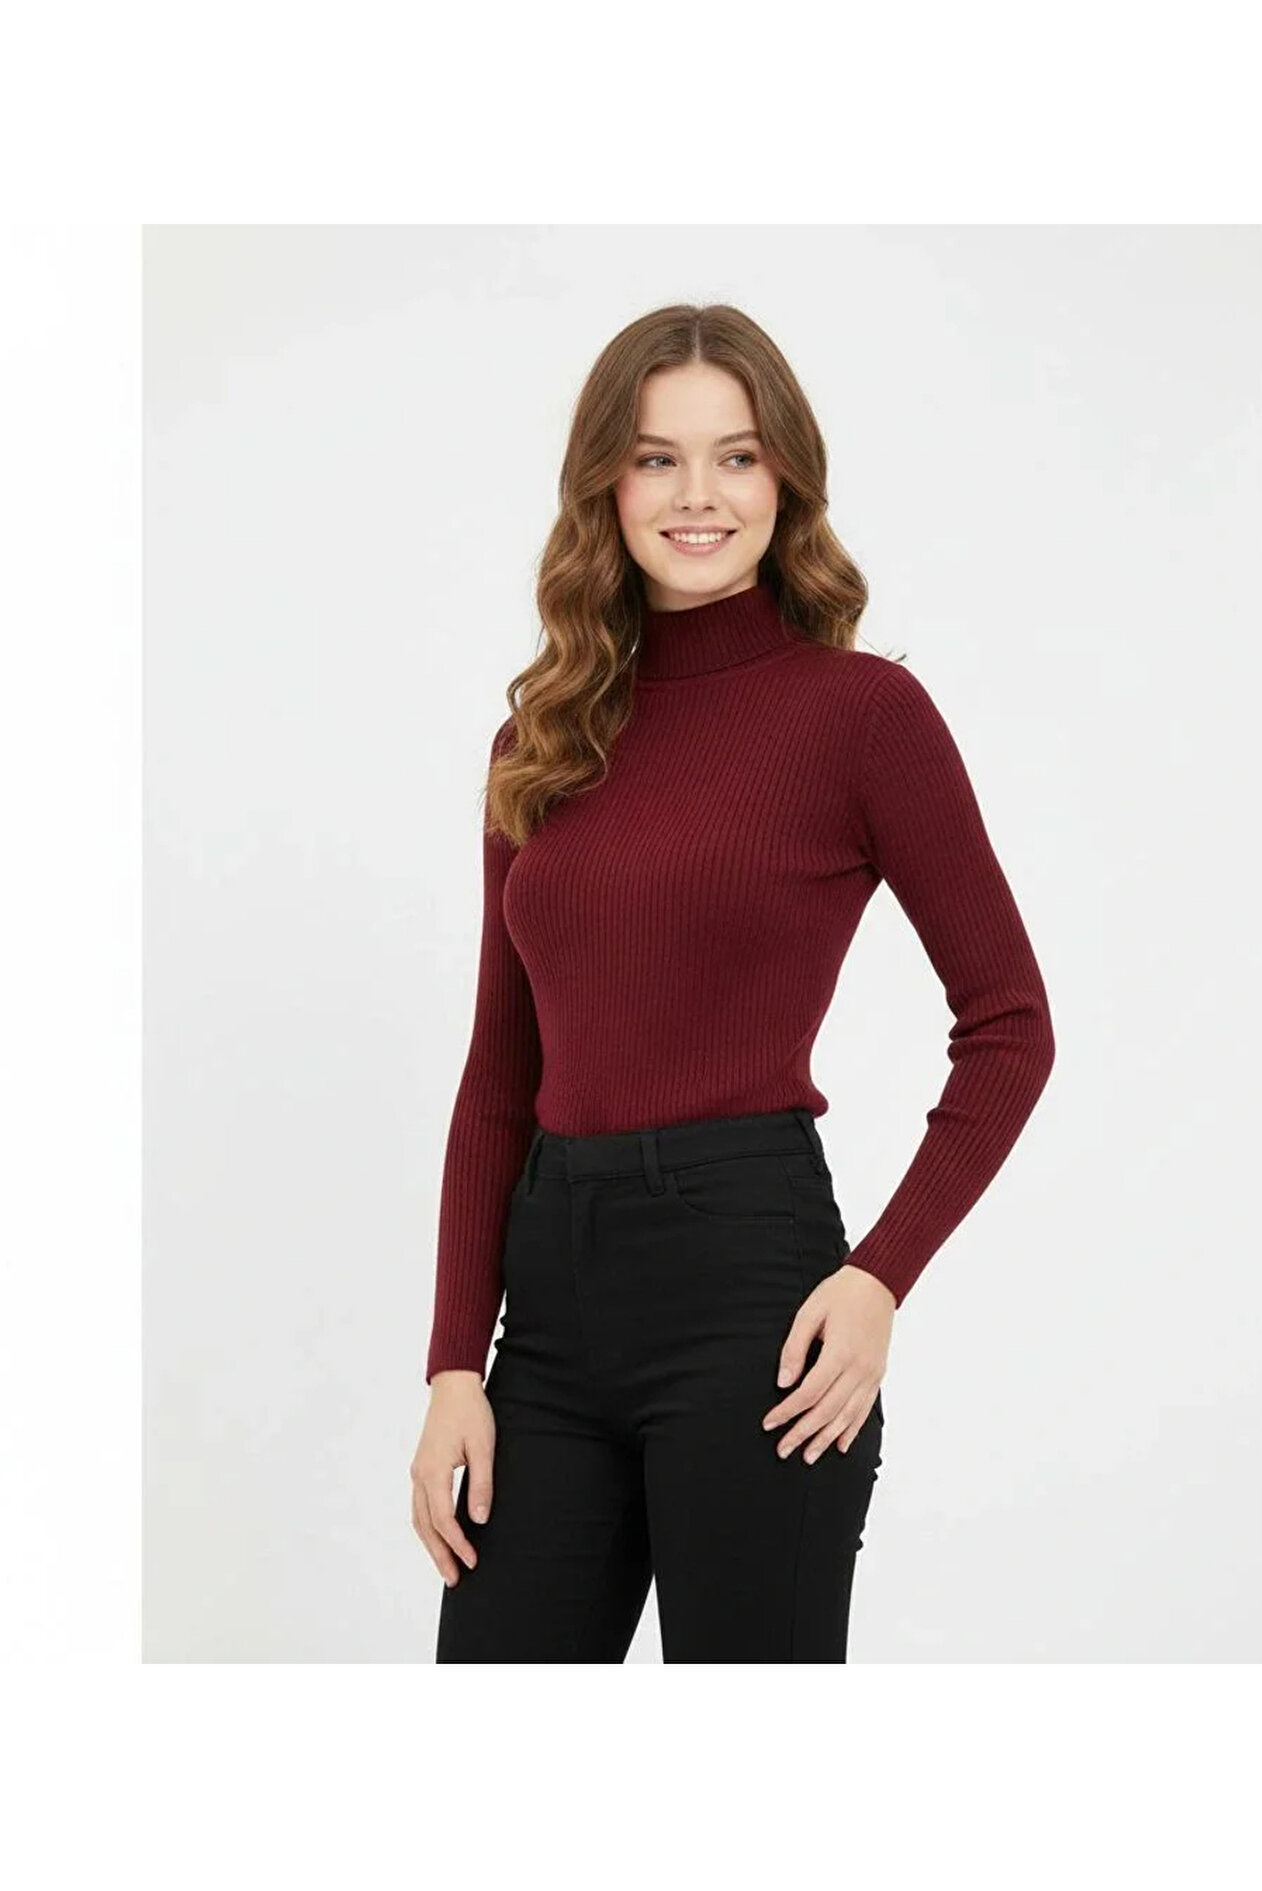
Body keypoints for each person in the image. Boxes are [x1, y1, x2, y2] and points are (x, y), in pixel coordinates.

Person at [411, 303, 1055, 1663]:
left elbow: (1010, 1026)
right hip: (551, 1321)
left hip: (751, 1308)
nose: (697, 495)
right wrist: (456, 1362)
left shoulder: (861, 716)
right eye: (657, 459)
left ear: (785, 479)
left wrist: (880, 1279)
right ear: (606, 483)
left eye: (737, 457)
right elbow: (500, 1078)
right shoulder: (542, 740)